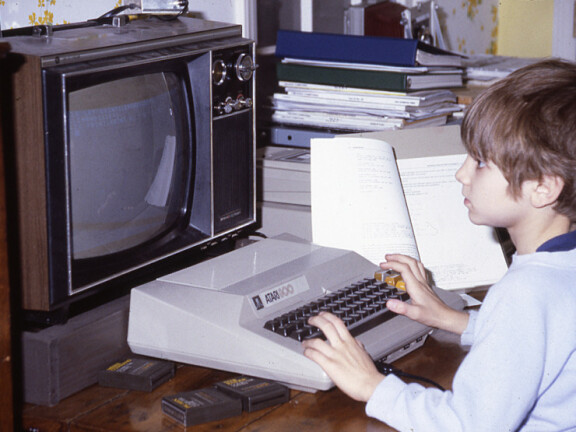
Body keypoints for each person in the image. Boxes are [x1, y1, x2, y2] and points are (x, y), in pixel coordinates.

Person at [301, 59, 576, 431]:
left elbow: (467, 425)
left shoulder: (523, 293)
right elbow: (543, 339)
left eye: (479, 162)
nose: (461, 173)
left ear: (543, 187)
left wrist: (373, 385)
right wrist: (453, 319)